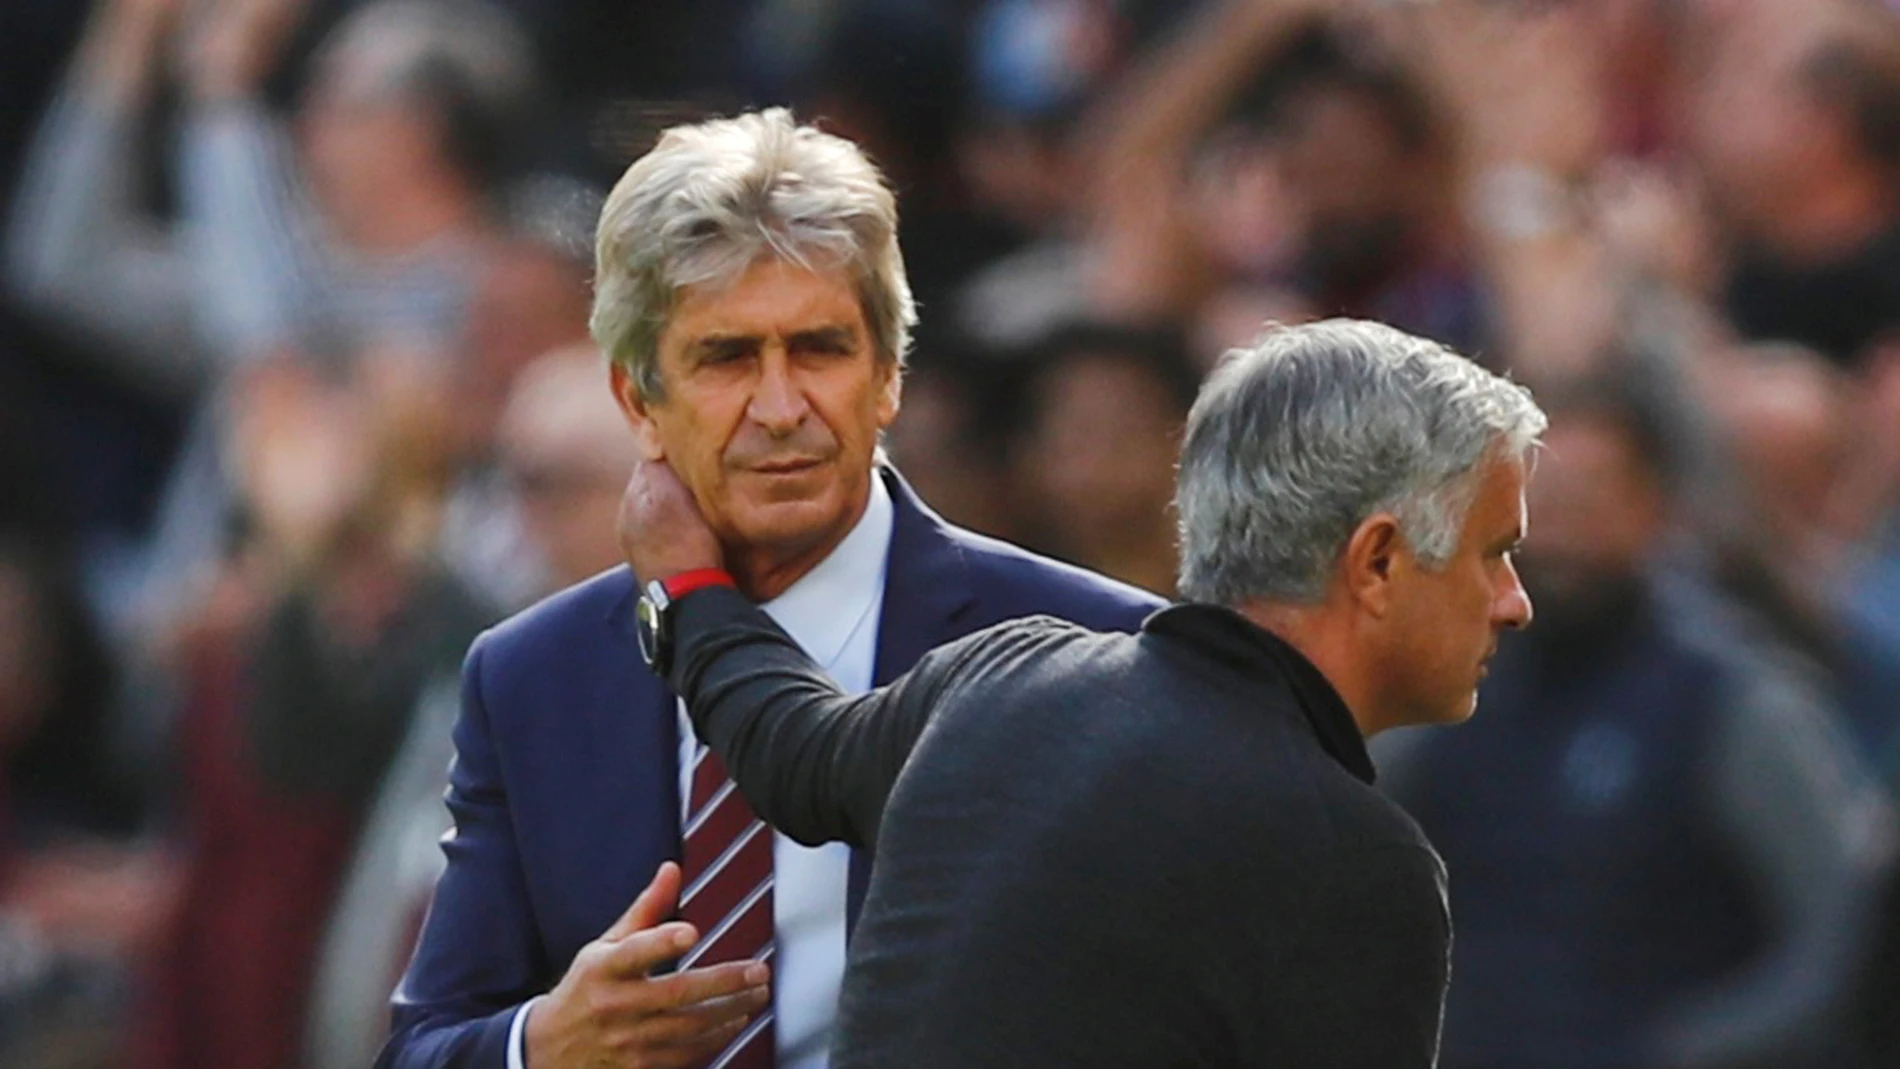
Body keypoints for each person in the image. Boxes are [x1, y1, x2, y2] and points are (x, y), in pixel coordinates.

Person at [379, 108, 1161, 1069]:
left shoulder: (1097, 650)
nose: (783, 407)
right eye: (728, 358)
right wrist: (542, 1044)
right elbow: (421, 1044)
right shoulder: (531, 676)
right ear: (639, 401)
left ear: (888, 379)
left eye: (822, 350)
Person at [619, 317, 1547, 1068]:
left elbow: (790, 751)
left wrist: (689, 589)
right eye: (1494, 551)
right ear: (1377, 560)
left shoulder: (1005, 676)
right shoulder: (1358, 864)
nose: (1515, 603)